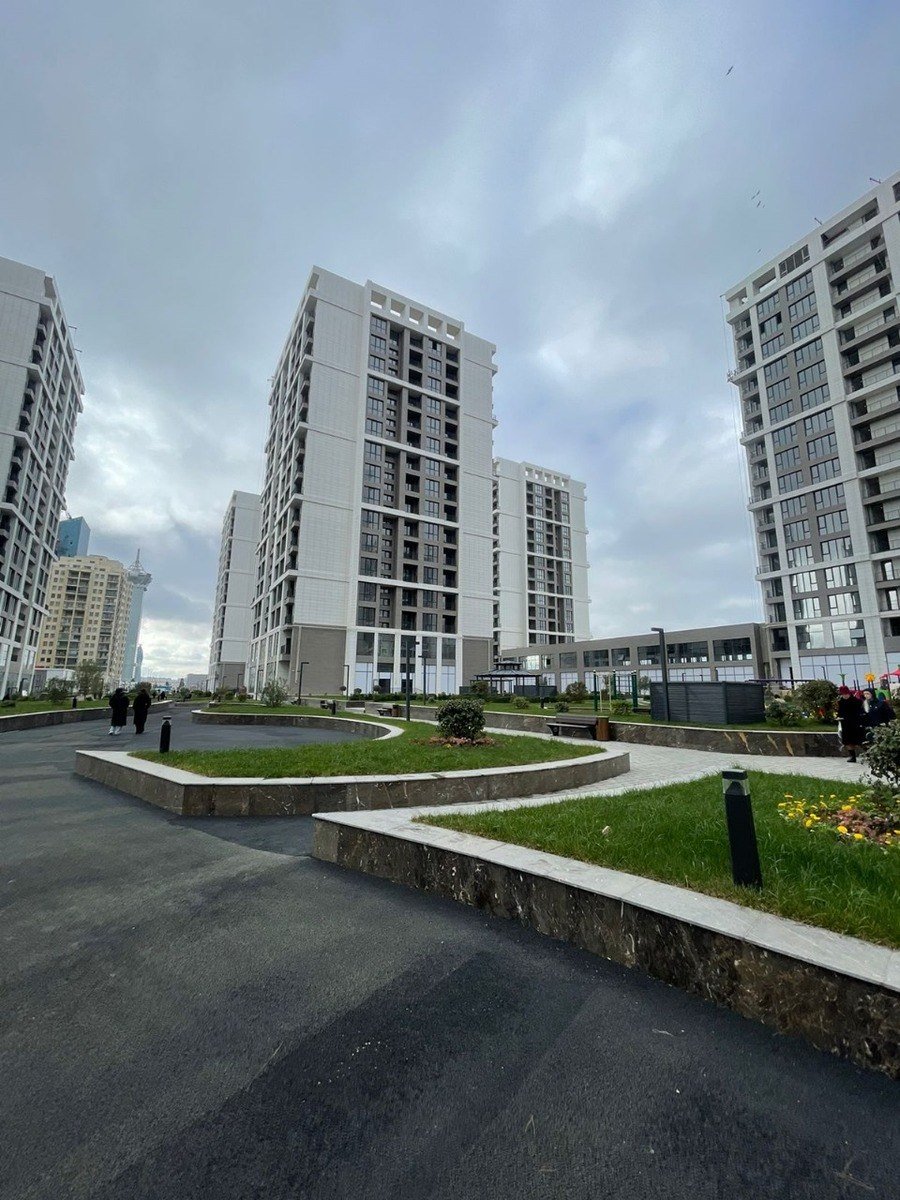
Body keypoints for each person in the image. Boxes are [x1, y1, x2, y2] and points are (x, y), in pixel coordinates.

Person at [836, 686, 864, 763]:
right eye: (843, 694)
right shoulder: (840, 702)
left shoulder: (856, 701)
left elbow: (860, 712)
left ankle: (868, 755)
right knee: (847, 741)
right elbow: (839, 712)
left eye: (846, 694)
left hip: (855, 724)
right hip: (845, 724)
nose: (844, 696)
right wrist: (838, 717)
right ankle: (852, 756)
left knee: (859, 740)